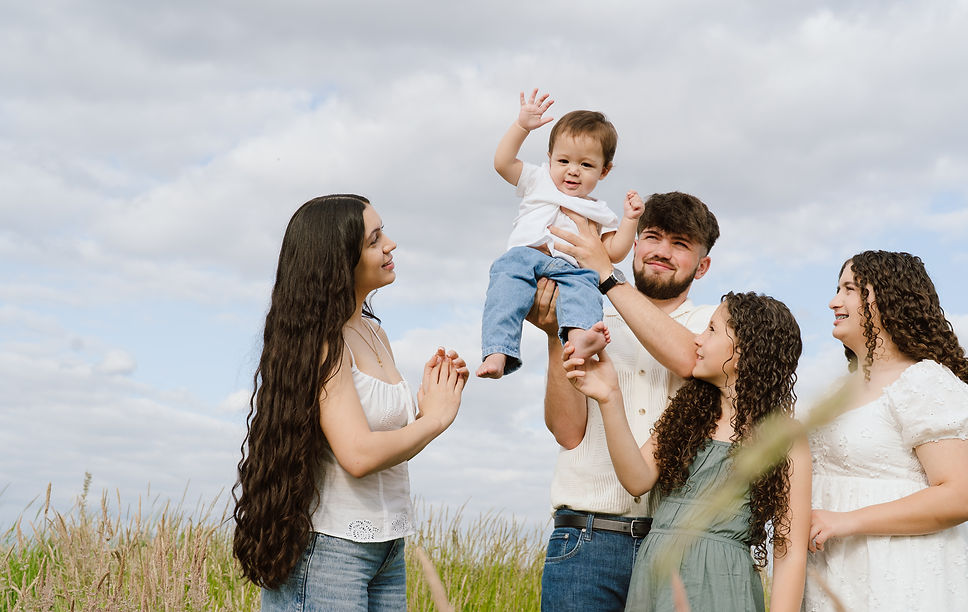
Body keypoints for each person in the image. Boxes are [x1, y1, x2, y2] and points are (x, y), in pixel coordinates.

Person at [232, 194, 469, 610]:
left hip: (387, 547)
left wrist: (433, 398)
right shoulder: (325, 342)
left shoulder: (375, 334)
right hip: (330, 551)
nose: (390, 245)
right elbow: (357, 455)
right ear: (339, 261)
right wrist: (433, 420)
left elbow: (384, 441)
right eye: (374, 240)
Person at [527, 191, 720, 611]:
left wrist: (606, 273)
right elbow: (567, 432)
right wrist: (556, 335)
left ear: (702, 266)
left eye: (680, 244)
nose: (662, 252)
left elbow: (689, 360)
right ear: (634, 244)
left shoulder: (712, 327)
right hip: (585, 540)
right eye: (652, 237)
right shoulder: (587, 316)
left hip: (674, 545)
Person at [564, 292, 811, 611]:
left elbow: (789, 549)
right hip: (657, 577)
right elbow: (636, 479)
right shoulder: (688, 412)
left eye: (712, 329)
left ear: (744, 351)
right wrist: (609, 396)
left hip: (724, 584)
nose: (697, 339)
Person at [804, 250, 968, 610]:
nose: (834, 302)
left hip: (900, 573)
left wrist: (845, 521)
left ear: (889, 299)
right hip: (833, 571)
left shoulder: (923, 382)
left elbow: (963, 496)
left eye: (850, 289)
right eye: (837, 289)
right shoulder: (836, 392)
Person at [476, 88, 644, 379]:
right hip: (525, 256)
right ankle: (498, 351)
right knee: (504, 286)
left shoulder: (599, 211)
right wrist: (521, 127)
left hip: (571, 269)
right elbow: (502, 163)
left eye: (586, 165)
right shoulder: (537, 179)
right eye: (564, 161)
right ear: (550, 158)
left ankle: (580, 340)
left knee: (586, 290)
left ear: (604, 171)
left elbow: (614, 252)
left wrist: (630, 220)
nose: (573, 171)